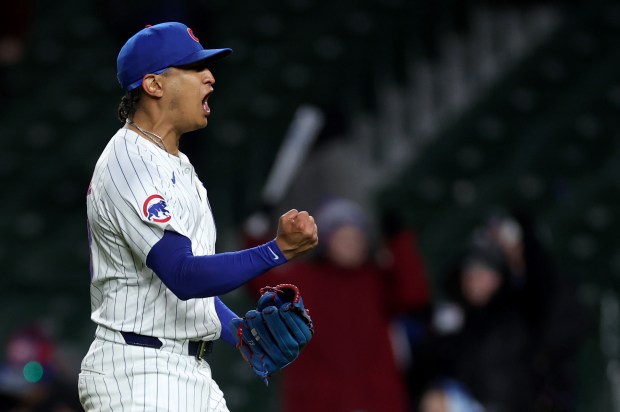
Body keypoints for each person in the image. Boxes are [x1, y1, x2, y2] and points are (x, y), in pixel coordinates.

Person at [78, 22, 318, 412]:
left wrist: (237, 331)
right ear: (154, 85)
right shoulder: (130, 161)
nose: (209, 77)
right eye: (193, 69)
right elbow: (183, 275)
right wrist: (276, 251)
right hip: (137, 373)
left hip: (186, 370)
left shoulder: (177, 165)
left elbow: (180, 290)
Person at [245, 198, 431, 412]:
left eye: (355, 238)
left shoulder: (378, 279)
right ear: (326, 241)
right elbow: (258, 278)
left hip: (376, 400)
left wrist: (399, 240)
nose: (350, 244)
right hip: (319, 402)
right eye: (342, 237)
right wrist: (254, 234)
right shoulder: (304, 281)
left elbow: (414, 294)